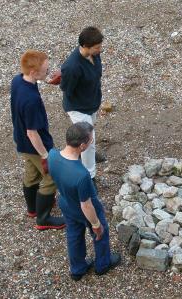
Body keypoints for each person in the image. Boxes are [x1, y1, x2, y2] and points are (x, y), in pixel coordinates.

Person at [48, 122, 121, 281]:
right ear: (82, 146)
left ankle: (77, 269)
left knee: (74, 235)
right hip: (83, 209)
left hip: (66, 203)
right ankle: (103, 264)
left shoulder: (52, 155)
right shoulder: (82, 175)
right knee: (101, 234)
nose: (92, 142)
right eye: (90, 140)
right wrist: (96, 225)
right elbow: (86, 205)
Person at [10, 50, 65, 230]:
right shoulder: (31, 100)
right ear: (33, 72)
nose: (48, 72)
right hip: (35, 145)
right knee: (51, 177)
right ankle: (43, 219)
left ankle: (33, 208)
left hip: (21, 142)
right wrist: (44, 155)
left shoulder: (18, 80)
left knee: (32, 173)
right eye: (45, 70)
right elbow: (32, 133)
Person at [60, 26, 106, 182]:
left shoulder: (94, 55)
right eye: (97, 47)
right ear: (85, 46)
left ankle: (86, 154)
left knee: (90, 134)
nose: (100, 50)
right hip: (78, 108)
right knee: (88, 140)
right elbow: (66, 89)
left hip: (91, 104)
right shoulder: (72, 67)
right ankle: (90, 176)